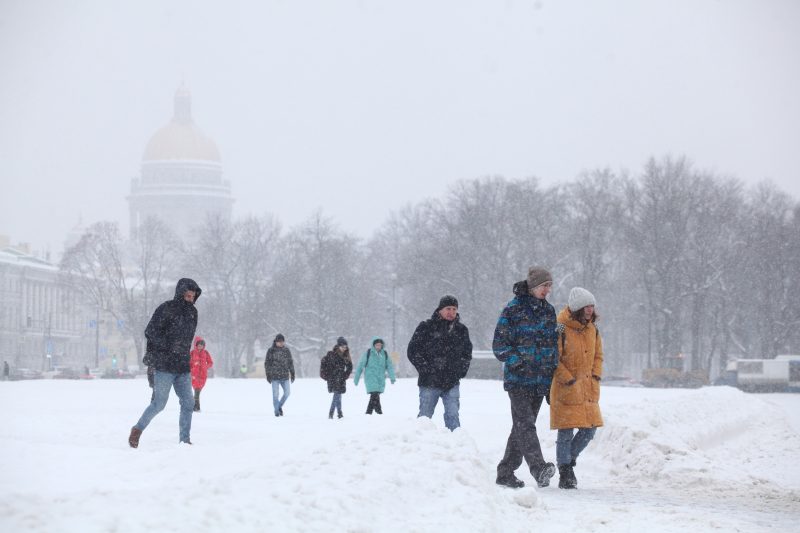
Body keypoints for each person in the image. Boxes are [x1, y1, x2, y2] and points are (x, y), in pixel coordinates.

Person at [492, 266, 559, 489]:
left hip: (540, 382)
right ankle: (538, 468)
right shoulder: (513, 310)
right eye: (543, 286)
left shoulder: (549, 312)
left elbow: (552, 347)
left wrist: (551, 379)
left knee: (521, 428)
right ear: (532, 286)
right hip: (518, 380)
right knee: (526, 425)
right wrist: (517, 362)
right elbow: (499, 345)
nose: (547, 290)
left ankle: (505, 472)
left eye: (549, 286)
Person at [129, 278, 202, 448]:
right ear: (180, 293)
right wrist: (168, 344)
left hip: (183, 366)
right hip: (165, 365)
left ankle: (184, 440)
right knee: (159, 404)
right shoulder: (166, 308)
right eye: (187, 295)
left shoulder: (193, 313)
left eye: (193, 296)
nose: (190, 299)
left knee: (188, 402)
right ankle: (137, 430)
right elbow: (150, 331)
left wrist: (184, 353)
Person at [550, 287, 604, 489]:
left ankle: (568, 461)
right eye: (586, 306)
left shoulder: (593, 329)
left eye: (592, 306)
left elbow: (598, 355)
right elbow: (554, 357)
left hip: (588, 387)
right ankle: (565, 472)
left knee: (589, 430)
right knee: (565, 431)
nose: (590, 310)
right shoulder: (561, 327)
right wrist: (568, 379)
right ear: (577, 308)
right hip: (567, 386)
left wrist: (596, 375)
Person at [407, 295, 473, 431]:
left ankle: (456, 444)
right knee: (424, 417)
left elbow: (467, 354)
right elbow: (413, 350)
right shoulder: (426, 327)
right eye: (448, 308)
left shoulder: (461, 330)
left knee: (453, 415)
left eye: (454, 309)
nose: (451, 312)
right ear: (440, 310)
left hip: (452, 381)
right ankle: (419, 444)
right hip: (429, 382)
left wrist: (461, 370)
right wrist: (425, 368)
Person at [354, 337, 396, 414]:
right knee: (374, 394)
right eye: (377, 345)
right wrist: (356, 378)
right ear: (373, 345)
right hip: (370, 378)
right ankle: (378, 413)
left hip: (380, 379)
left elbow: (389, 366)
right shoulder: (368, 353)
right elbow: (360, 366)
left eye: (380, 345)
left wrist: (392, 377)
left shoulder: (384, 354)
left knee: (375, 396)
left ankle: (370, 413)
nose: (378, 347)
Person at [320, 336, 353, 419]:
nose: (344, 349)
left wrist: (346, 375)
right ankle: (331, 413)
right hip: (332, 378)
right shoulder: (331, 354)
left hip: (341, 378)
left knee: (338, 395)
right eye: (342, 347)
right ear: (338, 346)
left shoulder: (346, 356)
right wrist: (325, 374)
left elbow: (350, 367)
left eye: (345, 347)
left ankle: (339, 413)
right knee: (337, 395)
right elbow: (324, 363)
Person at [265, 333, 295, 417]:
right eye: (280, 341)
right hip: (275, 377)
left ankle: (278, 406)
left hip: (285, 376)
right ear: (276, 342)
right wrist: (268, 374)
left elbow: (290, 362)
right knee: (275, 395)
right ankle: (276, 412)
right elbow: (267, 364)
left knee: (287, 393)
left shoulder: (286, 350)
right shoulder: (271, 351)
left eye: (283, 341)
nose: (281, 343)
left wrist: (292, 373)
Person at [189, 337, 214, 412]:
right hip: (194, 375)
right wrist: (192, 368)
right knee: (197, 391)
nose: (200, 346)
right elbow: (188, 363)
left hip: (203, 375)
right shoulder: (192, 353)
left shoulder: (206, 353)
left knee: (197, 391)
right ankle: (196, 407)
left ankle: (194, 406)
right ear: (196, 345)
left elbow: (210, 362)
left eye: (202, 345)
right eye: (199, 345)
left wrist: (205, 367)